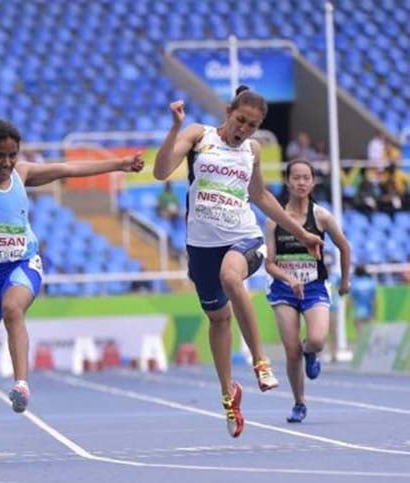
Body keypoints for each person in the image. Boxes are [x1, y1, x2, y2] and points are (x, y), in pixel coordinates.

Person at [0, 109, 143, 413]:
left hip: (23, 263)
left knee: (12, 309)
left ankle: (21, 384)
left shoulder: (24, 174)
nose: (7, 163)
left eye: (12, 155)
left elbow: (69, 169)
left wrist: (121, 164)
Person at [152, 86, 323, 438]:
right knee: (218, 320)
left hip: (243, 235)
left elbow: (260, 197)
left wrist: (302, 234)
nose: (244, 129)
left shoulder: (253, 150)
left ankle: (260, 361)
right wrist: (174, 127)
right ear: (229, 112)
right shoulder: (200, 136)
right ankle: (228, 393)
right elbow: (160, 171)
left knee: (232, 277)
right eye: (241, 120)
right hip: (201, 245)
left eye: (252, 125)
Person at [264, 159, 351, 423]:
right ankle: (299, 403)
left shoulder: (321, 217)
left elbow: (344, 248)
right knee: (291, 351)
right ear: (287, 181)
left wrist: (345, 281)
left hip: (314, 287)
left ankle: (309, 351)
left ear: (312, 182)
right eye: (296, 177)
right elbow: (269, 263)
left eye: (306, 178)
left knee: (317, 340)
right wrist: (288, 278)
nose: (301, 183)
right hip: (284, 290)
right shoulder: (274, 221)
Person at [349, 265, 377, 337]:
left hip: (358, 313)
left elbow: (351, 300)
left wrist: (348, 311)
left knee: (360, 335)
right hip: (369, 312)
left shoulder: (354, 283)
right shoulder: (371, 282)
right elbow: (374, 300)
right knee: (369, 335)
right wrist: (374, 312)